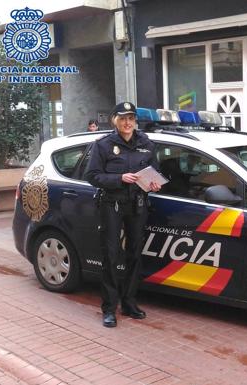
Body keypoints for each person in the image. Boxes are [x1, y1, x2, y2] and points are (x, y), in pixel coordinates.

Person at [84, 102, 162, 328]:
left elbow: (155, 171)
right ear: (115, 121)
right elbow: (92, 175)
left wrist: (155, 183)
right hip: (112, 205)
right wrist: (119, 179)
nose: (127, 122)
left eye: (131, 118)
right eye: (123, 118)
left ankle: (129, 303)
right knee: (110, 255)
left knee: (135, 255)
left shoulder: (146, 143)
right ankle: (109, 308)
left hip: (137, 204)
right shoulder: (104, 145)